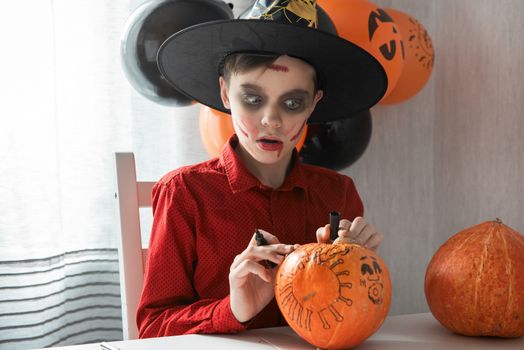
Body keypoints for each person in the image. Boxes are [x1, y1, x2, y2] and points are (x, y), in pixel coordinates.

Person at [136, 0, 388, 338]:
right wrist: (234, 308)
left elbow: (352, 317)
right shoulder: (184, 193)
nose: (272, 120)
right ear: (225, 93)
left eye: (293, 103)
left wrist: (358, 269)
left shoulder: (338, 193)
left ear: (314, 103)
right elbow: (154, 328)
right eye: (253, 99)